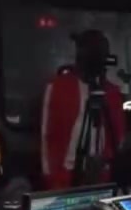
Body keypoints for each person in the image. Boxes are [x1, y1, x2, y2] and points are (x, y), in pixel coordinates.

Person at [41, 29, 126, 189]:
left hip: (102, 176)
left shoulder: (112, 93)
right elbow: (47, 137)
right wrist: (52, 179)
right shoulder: (58, 87)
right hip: (64, 178)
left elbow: (118, 137)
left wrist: (104, 165)